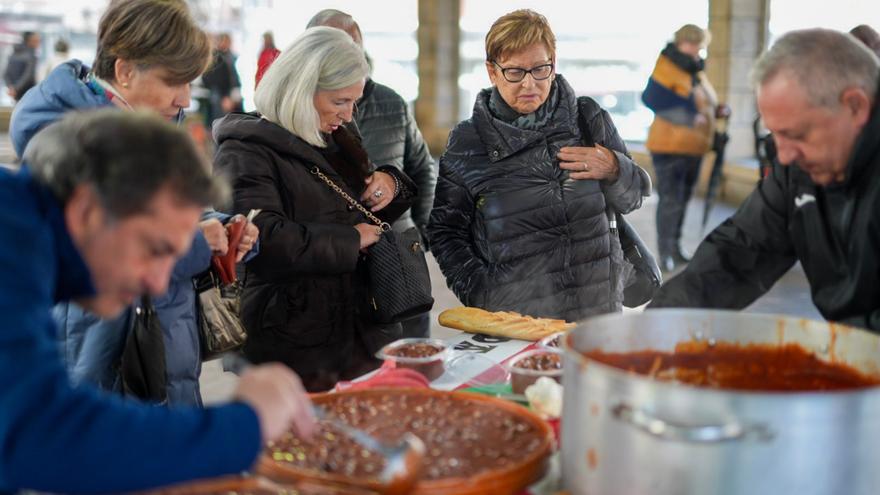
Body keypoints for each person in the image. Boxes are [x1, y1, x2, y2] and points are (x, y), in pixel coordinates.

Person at [0, 109, 315, 493]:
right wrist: (244, 425)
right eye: (154, 249)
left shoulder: (26, 236)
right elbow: (37, 434)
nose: (158, 280)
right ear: (87, 211)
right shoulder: (12, 243)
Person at [10, 0, 258, 405]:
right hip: (106, 354)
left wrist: (227, 229)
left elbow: (181, 215)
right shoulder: (72, 141)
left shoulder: (145, 125)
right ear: (125, 71)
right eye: (174, 82)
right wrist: (201, 242)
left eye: (190, 84)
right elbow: (106, 255)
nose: (184, 100)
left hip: (164, 345)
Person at [213, 26, 416, 392]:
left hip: (357, 333)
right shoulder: (245, 151)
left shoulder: (333, 135)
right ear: (301, 88)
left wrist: (390, 184)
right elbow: (261, 241)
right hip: (293, 342)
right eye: (340, 101)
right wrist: (349, 240)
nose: (349, 113)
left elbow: (363, 211)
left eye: (354, 101)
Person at [649, 29, 880, 332]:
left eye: (796, 135)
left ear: (855, 106)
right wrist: (654, 325)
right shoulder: (798, 166)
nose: (782, 157)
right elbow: (740, 251)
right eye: (775, 134)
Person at [428, 9, 650, 322]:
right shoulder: (468, 140)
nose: (529, 84)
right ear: (492, 72)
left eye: (539, 69)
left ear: (553, 63)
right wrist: (483, 294)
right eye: (515, 72)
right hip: (519, 321)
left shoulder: (589, 119)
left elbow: (635, 196)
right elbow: (444, 230)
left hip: (598, 311)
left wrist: (616, 168)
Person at [307, 9, 437, 339]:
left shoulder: (392, 103)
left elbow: (422, 167)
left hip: (400, 262)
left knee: (414, 366)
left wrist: (421, 234)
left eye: (354, 48)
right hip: (340, 270)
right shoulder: (295, 116)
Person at [642, 24, 729, 273]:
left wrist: (717, 110)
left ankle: (676, 248)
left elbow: (702, 101)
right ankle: (664, 253)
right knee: (670, 200)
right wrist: (690, 116)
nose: (695, 49)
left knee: (683, 200)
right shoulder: (668, 65)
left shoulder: (694, 71)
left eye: (698, 44)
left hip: (693, 147)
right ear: (680, 43)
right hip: (670, 147)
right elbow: (652, 98)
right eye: (691, 43)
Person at [202, 32, 243, 126]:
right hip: (219, 93)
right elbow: (213, 77)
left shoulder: (230, 56)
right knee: (220, 120)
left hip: (229, 92)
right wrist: (225, 96)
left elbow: (232, 76)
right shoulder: (216, 57)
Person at [3, 31, 40, 102]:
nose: (38, 43)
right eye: (36, 41)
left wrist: (11, 88)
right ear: (29, 41)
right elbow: (28, 76)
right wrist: (16, 88)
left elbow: (5, 74)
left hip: (15, 93)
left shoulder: (14, 53)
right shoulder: (31, 55)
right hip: (28, 92)